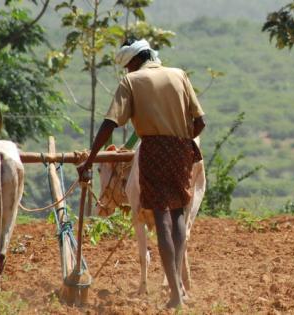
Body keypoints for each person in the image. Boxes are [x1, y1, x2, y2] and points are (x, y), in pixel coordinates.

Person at [77, 38, 206, 309]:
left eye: (127, 66)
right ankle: (178, 288)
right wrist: (181, 142)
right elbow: (200, 121)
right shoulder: (179, 75)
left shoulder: (132, 82)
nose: (127, 72)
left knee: (161, 219)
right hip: (183, 149)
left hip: (153, 151)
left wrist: (90, 159)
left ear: (135, 61)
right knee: (179, 215)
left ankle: (174, 295)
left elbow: (110, 123)